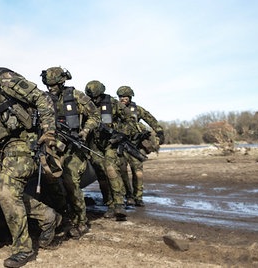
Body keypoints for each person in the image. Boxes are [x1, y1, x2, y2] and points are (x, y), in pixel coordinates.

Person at [0, 53, 61, 268]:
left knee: (7, 193)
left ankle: (23, 250)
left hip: (21, 143)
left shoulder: (4, 80)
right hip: (1, 150)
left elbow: (42, 99)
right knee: (9, 194)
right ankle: (47, 216)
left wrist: (48, 132)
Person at [40, 66, 101, 238]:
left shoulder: (76, 96)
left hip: (73, 147)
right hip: (53, 145)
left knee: (71, 182)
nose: (51, 88)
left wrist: (85, 131)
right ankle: (62, 214)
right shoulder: (45, 99)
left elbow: (95, 116)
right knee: (52, 181)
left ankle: (81, 221)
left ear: (61, 82)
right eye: (48, 85)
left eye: (54, 85)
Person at [84, 80, 138, 220]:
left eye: (96, 97)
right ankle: (110, 204)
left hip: (110, 143)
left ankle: (119, 204)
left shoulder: (113, 104)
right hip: (94, 145)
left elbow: (131, 121)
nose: (94, 100)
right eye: (92, 97)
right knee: (101, 174)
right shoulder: (85, 104)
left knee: (111, 169)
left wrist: (120, 133)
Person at [116, 85, 165, 207]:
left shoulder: (138, 110)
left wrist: (159, 131)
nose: (123, 99)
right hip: (120, 145)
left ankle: (138, 197)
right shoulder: (115, 109)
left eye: (125, 97)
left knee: (138, 173)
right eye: (121, 97)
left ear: (130, 97)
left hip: (135, 146)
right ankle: (129, 196)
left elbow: (151, 119)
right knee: (122, 172)